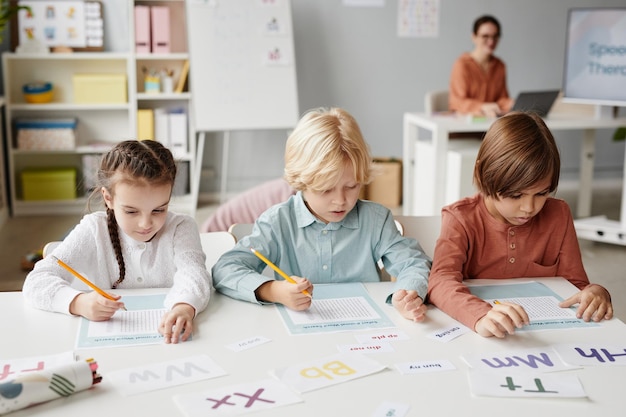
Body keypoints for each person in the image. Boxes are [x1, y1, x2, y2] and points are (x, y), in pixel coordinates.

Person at [212, 107, 431, 322]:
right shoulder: (278, 222)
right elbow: (225, 270)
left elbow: (414, 263)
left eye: (351, 186)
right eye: (325, 189)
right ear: (302, 181)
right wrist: (273, 291)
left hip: (365, 333)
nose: (340, 200)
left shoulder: (376, 220)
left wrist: (407, 294)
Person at [427, 112, 613, 338]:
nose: (529, 207)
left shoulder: (558, 214)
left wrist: (595, 291)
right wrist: (481, 315)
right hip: (480, 334)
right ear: (482, 174)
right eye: (516, 195)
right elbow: (439, 281)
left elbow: (574, 285)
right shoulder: (460, 218)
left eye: (541, 193)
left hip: (548, 336)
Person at [22, 139, 211, 344]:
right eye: (131, 211)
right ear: (108, 198)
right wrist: (79, 302)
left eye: (159, 209)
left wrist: (184, 306)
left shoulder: (181, 227)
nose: (145, 223)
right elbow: (37, 280)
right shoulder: (94, 229)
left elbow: (194, 274)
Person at [449, 15, 514, 117]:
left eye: (495, 36)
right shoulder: (462, 65)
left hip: (491, 125)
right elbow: (457, 102)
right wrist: (482, 106)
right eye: (485, 36)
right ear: (474, 37)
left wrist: (513, 103)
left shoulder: (500, 66)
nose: (491, 41)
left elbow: (501, 99)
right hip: (465, 127)